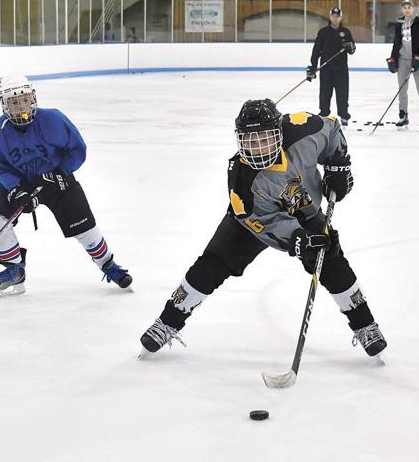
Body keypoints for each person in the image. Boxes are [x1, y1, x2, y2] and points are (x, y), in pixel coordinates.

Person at [138, 99, 387, 359]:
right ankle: (167, 322)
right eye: (250, 142)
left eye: (264, 139)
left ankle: (365, 325)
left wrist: (338, 164)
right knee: (212, 265)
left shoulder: (302, 128)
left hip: (306, 208)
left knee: (331, 261)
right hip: (253, 221)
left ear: (279, 132)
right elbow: (264, 224)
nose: (257, 150)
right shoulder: (242, 181)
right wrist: (298, 239)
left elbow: (333, 129)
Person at [0, 74, 132, 297]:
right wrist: (15, 188)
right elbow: (0, 167)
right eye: (13, 102)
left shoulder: (53, 120)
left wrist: (62, 171)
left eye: (23, 99)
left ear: (32, 99)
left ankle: (108, 265)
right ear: (4, 105)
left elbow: (77, 149)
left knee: (85, 228)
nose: (20, 105)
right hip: (20, 181)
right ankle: (14, 269)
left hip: (57, 177)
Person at [307, 6, 356, 126]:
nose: (335, 18)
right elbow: (316, 50)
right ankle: (324, 113)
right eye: (333, 16)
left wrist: (350, 47)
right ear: (330, 17)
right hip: (326, 69)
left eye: (337, 16)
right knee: (324, 93)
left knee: (342, 93)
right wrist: (313, 67)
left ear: (340, 17)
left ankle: (344, 115)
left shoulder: (346, 32)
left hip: (341, 69)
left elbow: (352, 50)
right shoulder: (323, 32)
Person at [388, 0, 419, 130]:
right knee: (402, 89)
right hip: (402, 60)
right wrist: (393, 59)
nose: (407, 9)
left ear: (413, 8)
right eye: (405, 7)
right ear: (402, 9)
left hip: (416, 60)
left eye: (409, 7)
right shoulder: (399, 23)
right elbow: (396, 43)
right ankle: (403, 115)